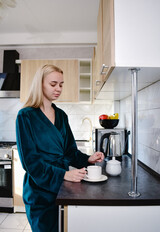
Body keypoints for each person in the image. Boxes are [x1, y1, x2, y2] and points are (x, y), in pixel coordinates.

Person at [16, 64, 104, 232]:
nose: (58, 89)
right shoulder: (25, 116)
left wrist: (88, 159)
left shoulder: (62, 116)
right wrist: (63, 174)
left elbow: (70, 151)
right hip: (40, 191)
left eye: (61, 84)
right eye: (53, 84)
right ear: (40, 84)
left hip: (62, 188)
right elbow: (30, 163)